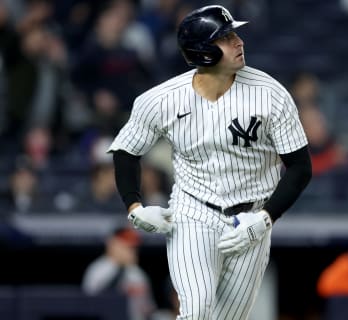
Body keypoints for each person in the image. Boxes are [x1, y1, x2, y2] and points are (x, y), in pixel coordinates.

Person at [107, 5, 312, 319]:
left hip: (253, 216)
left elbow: (300, 167)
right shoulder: (162, 99)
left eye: (234, 34)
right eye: (226, 38)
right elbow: (126, 151)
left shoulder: (270, 94)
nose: (238, 42)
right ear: (202, 53)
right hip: (193, 211)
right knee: (197, 310)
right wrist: (134, 207)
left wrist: (266, 218)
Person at [82, 226, 158, 320]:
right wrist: (121, 269)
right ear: (112, 243)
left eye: (133, 248)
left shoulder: (138, 274)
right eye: (126, 246)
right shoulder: (97, 269)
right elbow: (92, 305)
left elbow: (148, 309)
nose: (131, 251)